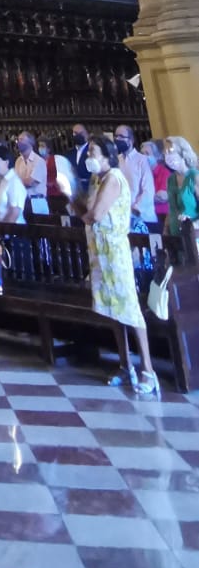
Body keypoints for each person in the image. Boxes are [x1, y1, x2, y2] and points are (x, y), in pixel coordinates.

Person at [83, 133, 159, 396]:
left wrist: (82, 209)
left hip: (115, 253)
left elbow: (95, 213)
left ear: (107, 155)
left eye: (93, 152)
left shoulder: (114, 178)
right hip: (101, 253)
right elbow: (86, 207)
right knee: (115, 312)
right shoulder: (97, 179)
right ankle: (126, 365)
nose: (89, 156)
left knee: (129, 308)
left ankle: (148, 369)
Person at [114, 124, 157, 228]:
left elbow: (148, 190)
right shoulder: (116, 160)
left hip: (142, 217)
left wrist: (135, 209)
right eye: (116, 136)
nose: (117, 139)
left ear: (131, 140)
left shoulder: (142, 160)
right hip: (122, 217)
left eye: (121, 136)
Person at [164, 137, 199, 238]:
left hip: (194, 235)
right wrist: (166, 230)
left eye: (170, 151)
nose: (167, 156)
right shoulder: (171, 179)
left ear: (183, 153)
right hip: (176, 235)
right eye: (165, 152)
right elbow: (171, 208)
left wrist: (193, 225)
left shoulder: (194, 176)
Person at [0, 144, 25, 223]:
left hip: (13, 231)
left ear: (6, 162)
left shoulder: (14, 182)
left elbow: (14, 212)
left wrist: (2, 231)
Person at [14, 130, 48, 215]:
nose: (19, 142)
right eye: (18, 140)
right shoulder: (18, 161)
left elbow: (30, 182)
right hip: (22, 201)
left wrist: (17, 182)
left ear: (30, 142)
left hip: (37, 201)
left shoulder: (38, 161)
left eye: (21, 139)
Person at [144, 139, 171, 223]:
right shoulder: (142, 173)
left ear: (156, 156)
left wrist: (142, 198)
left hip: (161, 215)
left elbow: (162, 197)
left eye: (147, 154)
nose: (144, 157)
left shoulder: (164, 172)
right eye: (142, 154)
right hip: (145, 215)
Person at [71, 122, 92, 192]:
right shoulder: (69, 153)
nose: (78, 135)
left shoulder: (92, 151)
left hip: (88, 190)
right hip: (73, 191)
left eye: (81, 133)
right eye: (75, 133)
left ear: (87, 134)